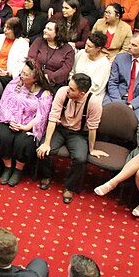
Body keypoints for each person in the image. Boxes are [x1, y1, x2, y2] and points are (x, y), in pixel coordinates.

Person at [37, 74, 107, 204]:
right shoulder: (62, 92)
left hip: (79, 134)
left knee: (80, 158)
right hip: (60, 128)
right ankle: (47, 175)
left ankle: (69, 186)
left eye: (72, 89)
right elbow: (53, 117)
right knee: (43, 149)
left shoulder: (94, 102)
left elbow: (93, 128)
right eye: (69, 86)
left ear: (82, 93)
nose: (68, 90)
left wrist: (92, 149)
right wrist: (46, 143)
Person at [0, 61, 53, 187]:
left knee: (23, 142)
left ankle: (18, 170)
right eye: (22, 72)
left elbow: (41, 116)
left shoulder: (44, 94)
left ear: (35, 78)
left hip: (28, 126)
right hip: (10, 121)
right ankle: (7, 167)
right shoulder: (15, 83)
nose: (21, 75)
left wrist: (25, 127)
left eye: (25, 74)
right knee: (3, 136)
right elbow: (4, 103)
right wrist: (10, 120)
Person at [103, 33, 139, 122]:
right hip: (117, 96)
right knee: (103, 114)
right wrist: (118, 104)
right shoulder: (119, 58)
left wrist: (132, 105)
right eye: (130, 43)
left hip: (138, 102)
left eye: (134, 45)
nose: (129, 47)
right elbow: (112, 83)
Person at [27, 20, 75, 92]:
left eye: (49, 29)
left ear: (58, 33)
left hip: (55, 84)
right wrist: (40, 75)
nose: (45, 30)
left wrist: (50, 77)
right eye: (45, 28)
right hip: (36, 78)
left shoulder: (68, 49)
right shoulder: (39, 41)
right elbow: (31, 58)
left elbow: (66, 69)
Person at [0, 17, 30, 86]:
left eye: (8, 28)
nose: (5, 30)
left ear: (16, 30)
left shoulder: (23, 43)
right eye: (5, 27)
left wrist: (8, 72)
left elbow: (21, 63)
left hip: (8, 73)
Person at [69, 31, 110, 97]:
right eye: (86, 44)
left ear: (98, 48)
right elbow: (72, 71)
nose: (86, 48)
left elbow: (96, 87)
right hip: (73, 90)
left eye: (89, 46)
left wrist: (78, 91)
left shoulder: (104, 64)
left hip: (91, 96)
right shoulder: (81, 53)